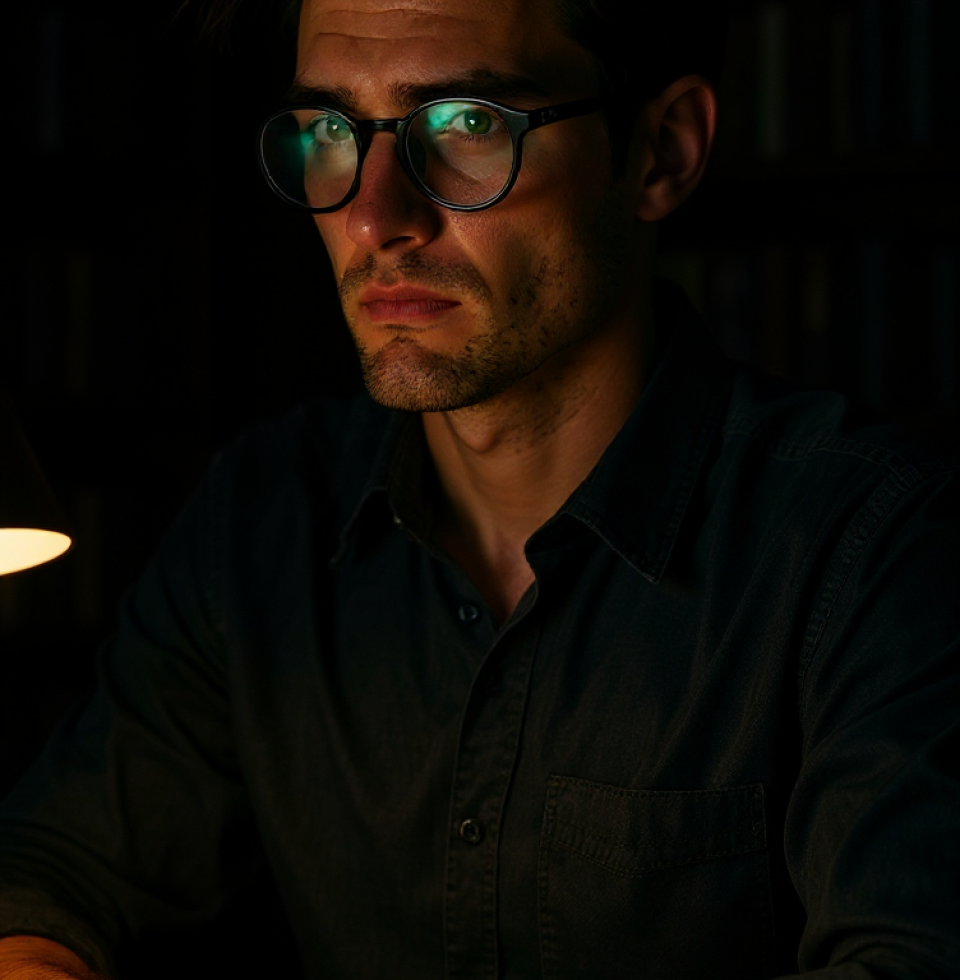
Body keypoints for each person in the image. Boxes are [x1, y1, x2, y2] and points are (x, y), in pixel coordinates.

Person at [1, 0, 958, 977]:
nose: (373, 217)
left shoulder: (869, 546)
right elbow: (50, 881)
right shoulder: (265, 515)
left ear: (660, 153)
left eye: (465, 124)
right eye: (332, 130)